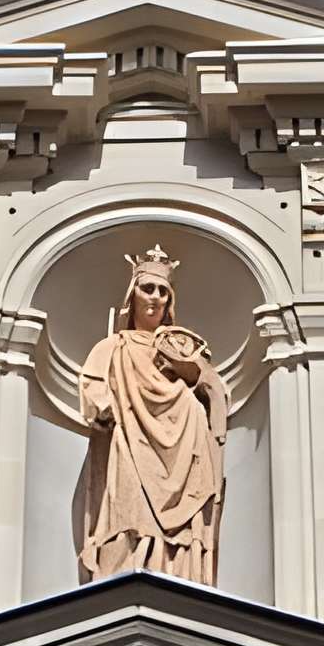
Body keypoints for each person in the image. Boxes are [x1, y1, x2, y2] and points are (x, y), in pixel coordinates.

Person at [75, 246, 232, 585]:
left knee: (182, 534)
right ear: (132, 295)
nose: (156, 297)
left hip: (185, 449)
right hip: (131, 443)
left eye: (163, 291)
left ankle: (177, 573)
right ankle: (127, 573)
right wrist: (103, 406)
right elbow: (92, 387)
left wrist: (188, 371)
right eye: (148, 288)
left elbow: (215, 393)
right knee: (130, 511)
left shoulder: (179, 346)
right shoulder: (113, 347)